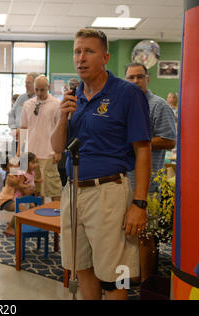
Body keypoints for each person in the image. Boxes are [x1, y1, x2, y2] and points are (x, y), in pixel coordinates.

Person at [51, 28, 151, 300]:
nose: (80, 58)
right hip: (73, 191)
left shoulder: (127, 94)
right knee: (81, 266)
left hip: (108, 192)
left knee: (114, 277)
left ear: (105, 56)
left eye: (89, 51)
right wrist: (63, 118)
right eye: (77, 51)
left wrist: (139, 204)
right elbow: (58, 149)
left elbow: (143, 150)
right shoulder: (75, 96)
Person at [124, 62, 177, 283]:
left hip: (150, 183)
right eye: (131, 78)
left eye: (139, 77)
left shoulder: (159, 106)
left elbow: (169, 139)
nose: (135, 82)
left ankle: (148, 282)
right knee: (126, 233)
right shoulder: (124, 105)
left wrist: (139, 142)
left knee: (147, 236)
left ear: (147, 79)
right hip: (123, 180)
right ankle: (132, 275)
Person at [20, 75, 62, 201]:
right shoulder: (27, 104)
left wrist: (58, 151)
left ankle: (56, 220)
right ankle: (37, 219)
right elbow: (23, 129)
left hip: (49, 154)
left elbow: (60, 129)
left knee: (55, 190)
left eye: (42, 90)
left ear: (48, 87)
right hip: (32, 156)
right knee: (36, 192)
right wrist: (20, 152)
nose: (39, 93)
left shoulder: (56, 104)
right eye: (36, 89)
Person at [0, 152, 39, 237]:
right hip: (6, 200)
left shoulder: (19, 174)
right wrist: (30, 187)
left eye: (15, 164)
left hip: (14, 199)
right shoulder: (11, 177)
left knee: (27, 208)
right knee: (22, 210)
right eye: (11, 166)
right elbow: (21, 187)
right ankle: (9, 228)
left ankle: (21, 226)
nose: (15, 166)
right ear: (6, 169)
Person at [8, 72, 39, 139]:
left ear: (36, 84)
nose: (25, 85)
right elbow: (11, 114)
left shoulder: (41, 100)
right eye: (25, 83)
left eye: (28, 83)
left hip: (33, 137)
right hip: (18, 136)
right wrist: (14, 129)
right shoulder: (21, 98)